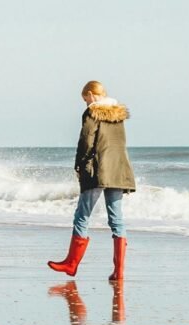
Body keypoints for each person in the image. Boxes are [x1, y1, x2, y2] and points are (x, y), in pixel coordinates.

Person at [48, 81, 136, 280]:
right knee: (116, 219)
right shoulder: (117, 114)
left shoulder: (92, 111)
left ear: (91, 94)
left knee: (82, 214)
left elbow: (87, 140)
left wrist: (79, 165)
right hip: (119, 168)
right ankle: (119, 272)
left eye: (85, 98)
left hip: (97, 169)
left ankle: (71, 264)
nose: (85, 102)